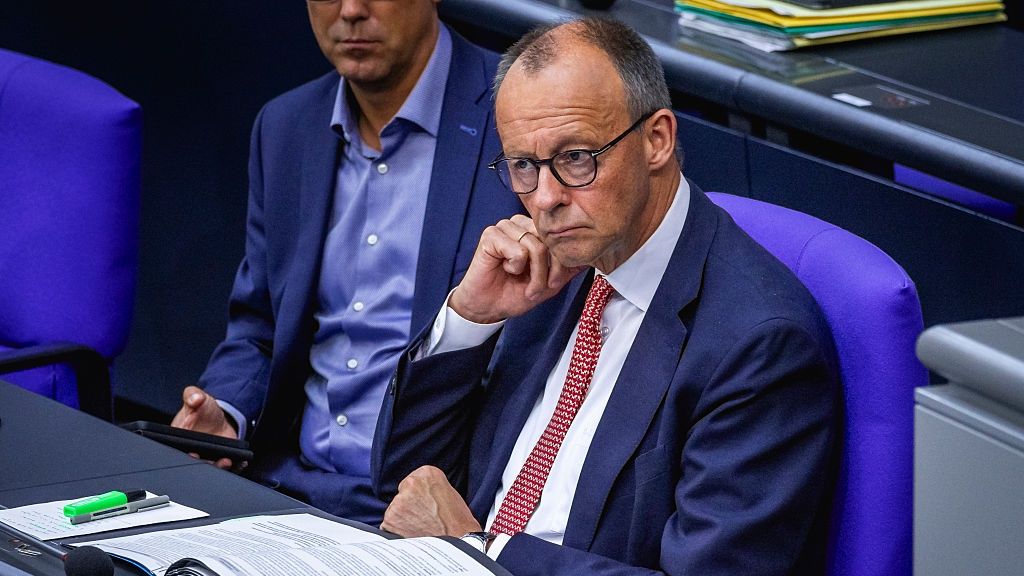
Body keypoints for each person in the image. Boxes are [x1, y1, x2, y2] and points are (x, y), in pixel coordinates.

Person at [372, 18, 841, 575]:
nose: (545, 199)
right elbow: (403, 486)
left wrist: (477, 550)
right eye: (523, 166)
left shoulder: (760, 345)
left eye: (576, 157)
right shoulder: (547, 272)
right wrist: (470, 320)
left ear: (657, 140)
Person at [169, 0, 521, 526]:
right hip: (282, 486)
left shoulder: (520, 112)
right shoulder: (286, 126)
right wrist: (226, 409)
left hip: (436, 509)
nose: (351, 10)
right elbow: (261, 328)